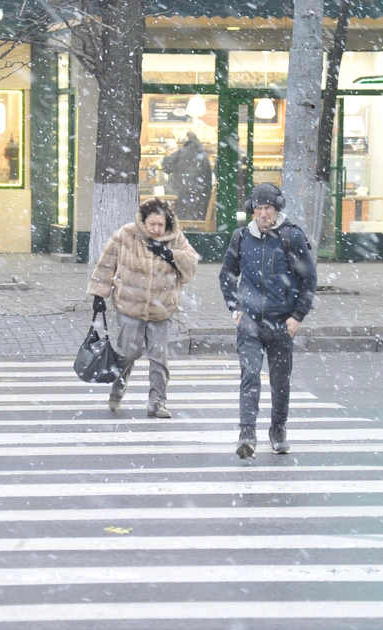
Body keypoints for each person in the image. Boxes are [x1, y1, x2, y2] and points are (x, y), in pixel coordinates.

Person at [219, 183, 316, 458]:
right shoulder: (240, 237)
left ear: (276, 209)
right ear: (252, 211)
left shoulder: (291, 237)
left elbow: (309, 278)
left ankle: (278, 429)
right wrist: (234, 310)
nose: (263, 214)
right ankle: (247, 433)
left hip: (282, 323)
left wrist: (297, 317)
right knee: (249, 376)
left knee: (280, 381)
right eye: (259, 209)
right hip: (249, 323)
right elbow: (226, 275)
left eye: (268, 208)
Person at [87, 197, 198, 418]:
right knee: (129, 353)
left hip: (161, 309)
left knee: (159, 357)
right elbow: (107, 263)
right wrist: (99, 295)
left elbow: (191, 262)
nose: (156, 229)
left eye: (161, 225)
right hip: (130, 307)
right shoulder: (126, 235)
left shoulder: (175, 239)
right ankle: (118, 388)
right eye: (152, 224)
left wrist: (169, 254)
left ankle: (157, 403)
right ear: (143, 222)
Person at [161, 131, 213, 222]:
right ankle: (193, 231)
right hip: (198, 194)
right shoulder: (203, 155)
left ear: (187, 140)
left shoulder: (181, 152)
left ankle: (182, 231)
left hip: (181, 192)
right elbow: (208, 177)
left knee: (180, 215)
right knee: (193, 217)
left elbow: (166, 166)